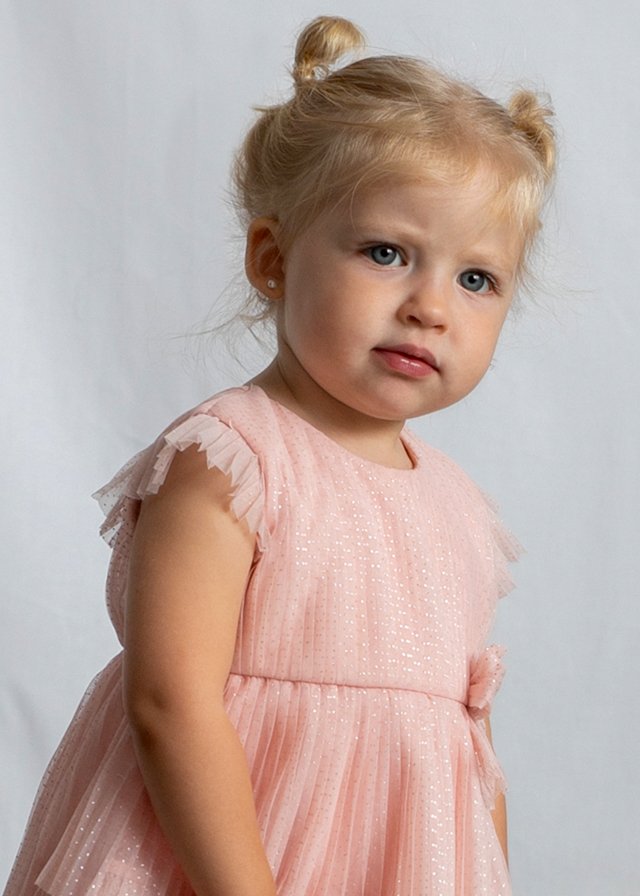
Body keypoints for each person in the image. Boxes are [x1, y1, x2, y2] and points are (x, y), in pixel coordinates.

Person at [4, 14, 555, 896]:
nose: (431, 307)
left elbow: (466, 755)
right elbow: (170, 705)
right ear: (274, 258)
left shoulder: (458, 507)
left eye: (475, 278)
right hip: (218, 867)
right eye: (387, 253)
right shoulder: (234, 464)